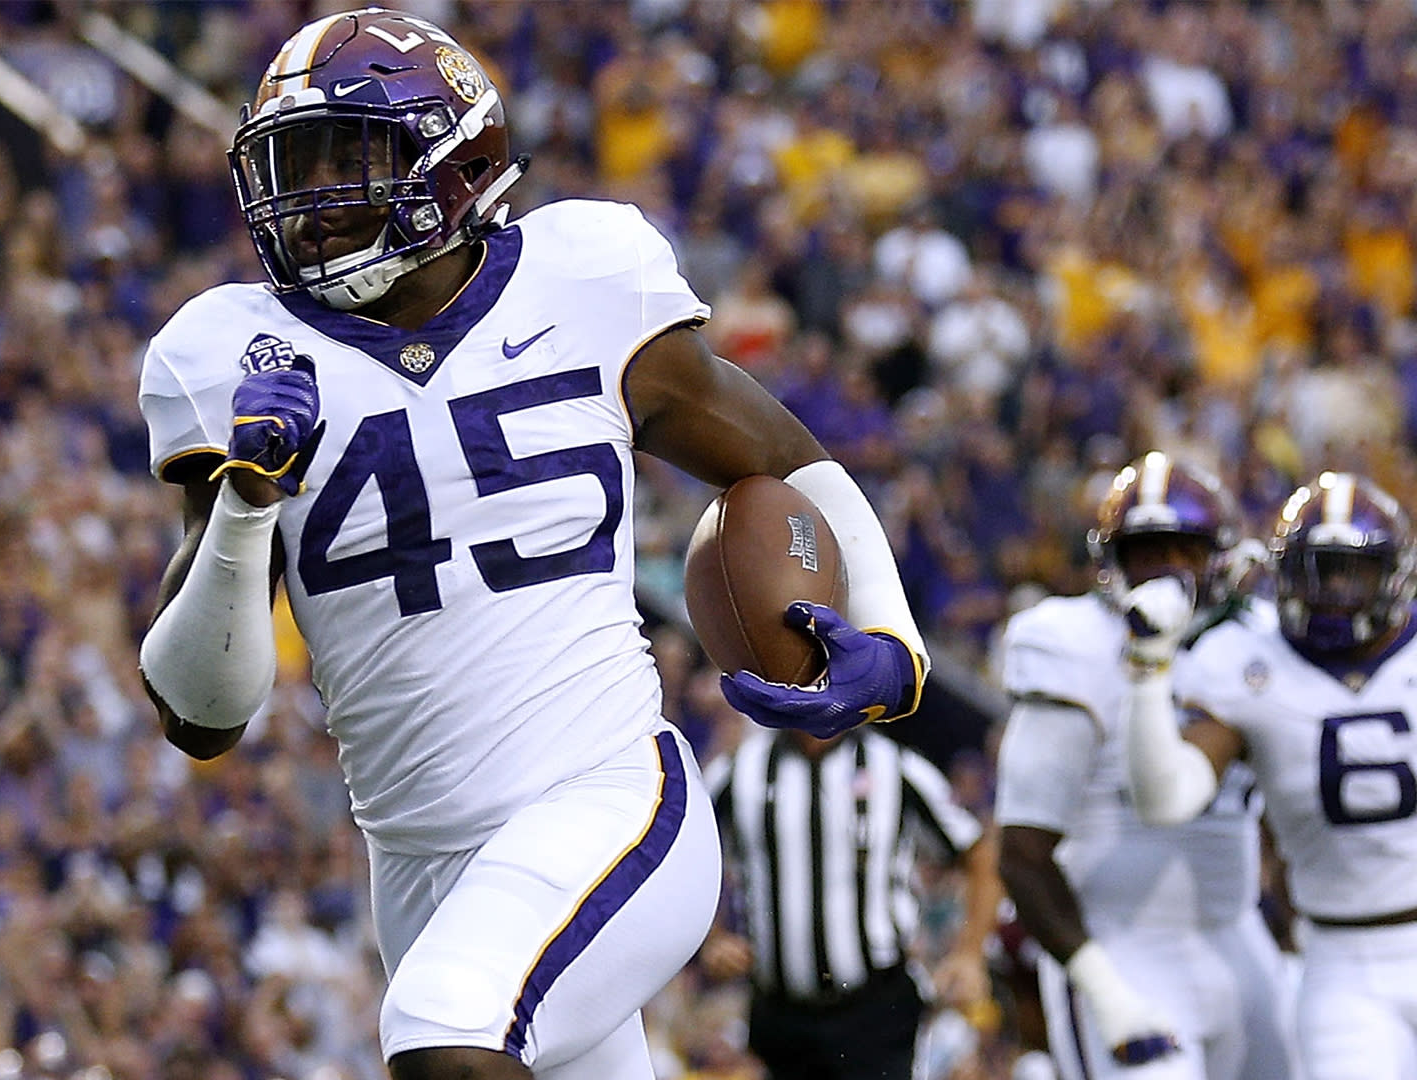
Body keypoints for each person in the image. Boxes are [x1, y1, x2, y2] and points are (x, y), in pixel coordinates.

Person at [134, 10, 930, 1080]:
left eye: (343, 157)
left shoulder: (586, 275)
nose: (309, 199)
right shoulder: (228, 349)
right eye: (291, 161)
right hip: (417, 862)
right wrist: (245, 502)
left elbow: (784, 458)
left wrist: (895, 639)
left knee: (448, 1034)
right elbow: (202, 716)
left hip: (607, 796)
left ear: (454, 163)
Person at [1123, 471, 1417, 1079]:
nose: (1334, 590)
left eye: (1351, 571)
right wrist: (1150, 672)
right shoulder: (1248, 665)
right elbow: (1167, 799)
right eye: (1319, 570)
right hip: (1341, 960)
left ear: (1394, 573)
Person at [996, 452, 1295, 1080]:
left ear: (1220, 555)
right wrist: (1105, 989)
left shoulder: (1255, 641)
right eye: (1148, 551)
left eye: (1185, 550)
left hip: (1235, 936)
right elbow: (1021, 852)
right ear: (1112, 562)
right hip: (1122, 946)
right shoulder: (1070, 644)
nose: (1170, 571)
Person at [702, 725, 999, 1079]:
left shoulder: (895, 766)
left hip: (874, 1009)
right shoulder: (739, 769)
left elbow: (979, 853)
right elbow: (684, 854)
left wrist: (970, 952)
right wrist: (711, 936)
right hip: (778, 1015)